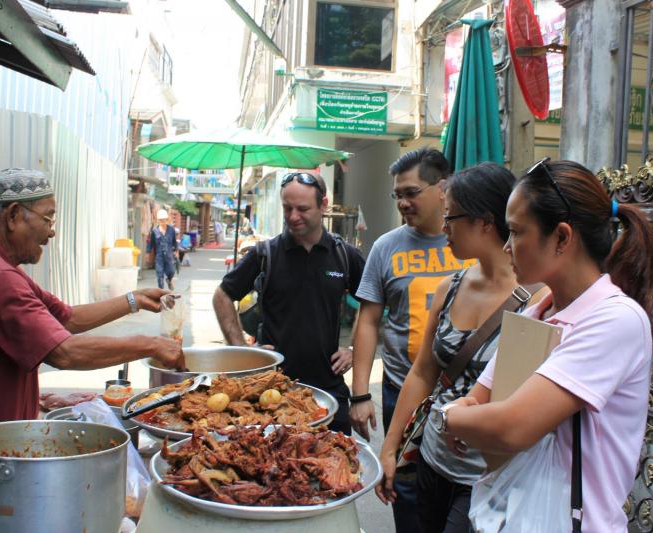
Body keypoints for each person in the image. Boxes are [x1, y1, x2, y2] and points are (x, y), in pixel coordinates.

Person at [0, 169, 185, 532]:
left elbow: (67, 318)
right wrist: (150, 345)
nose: (52, 231)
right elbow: (63, 351)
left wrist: (132, 300)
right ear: (14, 216)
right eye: (47, 218)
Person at [434, 159, 653, 533]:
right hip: (512, 514)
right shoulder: (538, 313)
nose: (507, 247)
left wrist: (448, 417)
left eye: (517, 232)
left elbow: (508, 427)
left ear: (562, 238)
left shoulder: (615, 320)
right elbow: (480, 402)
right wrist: (469, 418)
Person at [375, 163, 547, 532]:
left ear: (485, 223)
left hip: (490, 478)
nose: (443, 228)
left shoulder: (542, 302)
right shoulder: (449, 288)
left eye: (451, 217)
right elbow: (422, 373)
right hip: (433, 462)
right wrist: (391, 447)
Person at [350, 148, 472, 532]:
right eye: (397, 195)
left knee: (459, 497)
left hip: (467, 398)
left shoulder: (472, 246)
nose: (402, 202)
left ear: (443, 188)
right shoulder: (386, 247)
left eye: (411, 192)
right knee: (405, 492)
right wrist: (359, 394)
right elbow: (368, 321)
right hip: (403, 391)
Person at [213, 172, 366, 434]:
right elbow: (223, 296)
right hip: (272, 389)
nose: (293, 216)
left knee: (338, 463)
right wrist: (242, 351)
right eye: (287, 208)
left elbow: (370, 306)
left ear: (323, 205)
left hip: (328, 386)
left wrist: (353, 348)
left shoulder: (344, 255)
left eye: (303, 209)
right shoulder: (266, 254)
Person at [147, 209, 178, 290]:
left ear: (166, 220)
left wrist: (176, 251)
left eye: (163, 220)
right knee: (159, 275)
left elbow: (175, 241)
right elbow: (150, 243)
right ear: (158, 220)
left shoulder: (171, 230)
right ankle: (161, 293)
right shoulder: (154, 231)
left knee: (171, 271)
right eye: (160, 220)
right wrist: (148, 254)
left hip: (169, 255)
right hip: (159, 257)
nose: (161, 221)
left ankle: (169, 280)